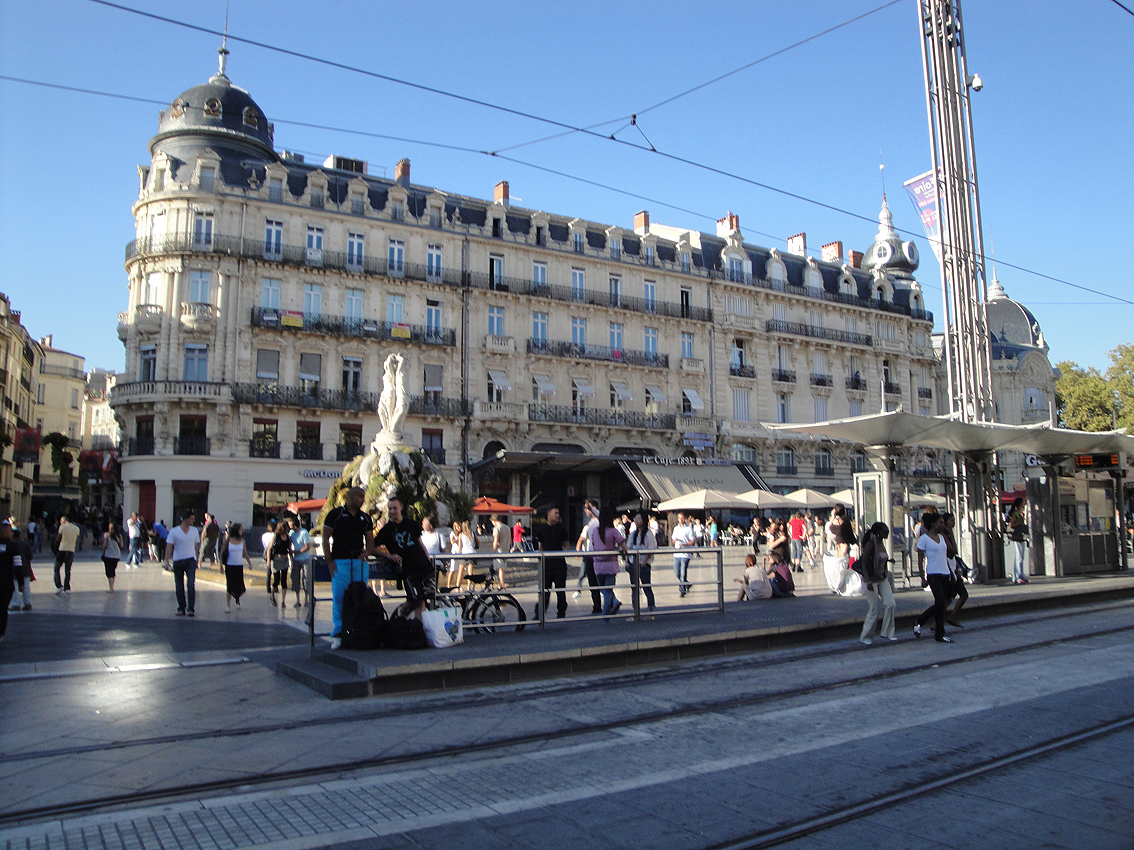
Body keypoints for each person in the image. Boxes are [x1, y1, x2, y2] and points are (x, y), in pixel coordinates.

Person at [323, 488, 376, 649]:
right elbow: (325, 538)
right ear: (350, 497)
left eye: (364, 497)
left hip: (359, 564)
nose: (363, 499)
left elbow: (370, 540)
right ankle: (338, 633)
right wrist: (329, 562)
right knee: (339, 597)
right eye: (360, 496)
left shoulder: (365, 517)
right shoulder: (336, 514)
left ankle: (357, 630)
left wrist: (367, 553)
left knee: (360, 597)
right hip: (341, 563)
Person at [375, 498, 433, 621]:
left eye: (394, 508)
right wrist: (388, 556)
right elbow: (372, 548)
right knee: (415, 599)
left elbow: (420, 543)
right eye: (390, 508)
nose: (392, 511)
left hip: (422, 565)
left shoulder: (412, 524)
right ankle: (401, 613)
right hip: (407, 569)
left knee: (423, 600)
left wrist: (428, 560)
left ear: (401, 508)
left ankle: (419, 631)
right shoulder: (386, 530)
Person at [914, 513, 954, 643]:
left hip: (945, 573)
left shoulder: (942, 537)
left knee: (941, 603)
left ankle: (920, 620)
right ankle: (939, 633)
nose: (943, 525)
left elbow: (945, 555)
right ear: (933, 524)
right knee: (941, 602)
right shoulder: (924, 539)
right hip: (933, 573)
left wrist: (951, 572)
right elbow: (919, 560)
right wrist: (922, 577)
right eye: (940, 523)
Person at [858, 522, 896, 645]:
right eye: (885, 532)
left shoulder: (881, 543)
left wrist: (888, 560)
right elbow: (864, 562)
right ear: (878, 532)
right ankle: (865, 636)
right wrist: (868, 580)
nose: (887, 534)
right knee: (873, 609)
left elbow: (880, 558)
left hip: (882, 578)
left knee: (891, 604)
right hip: (870, 580)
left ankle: (887, 632)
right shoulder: (870, 544)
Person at [533, 507, 572, 619]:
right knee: (544, 590)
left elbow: (567, 544)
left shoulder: (561, 529)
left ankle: (561, 612)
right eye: (555, 512)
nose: (557, 515)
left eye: (558, 513)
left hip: (559, 564)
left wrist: (564, 554)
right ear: (548, 514)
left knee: (560, 590)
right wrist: (541, 558)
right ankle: (540, 612)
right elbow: (540, 545)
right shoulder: (541, 529)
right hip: (546, 564)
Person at [589, 504, 626, 617]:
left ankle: (613, 604)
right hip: (611, 565)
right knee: (608, 590)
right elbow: (624, 546)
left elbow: (594, 545)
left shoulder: (595, 531)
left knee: (603, 589)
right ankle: (606, 615)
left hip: (598, 565)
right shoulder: (613, 531)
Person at [164, 513, 201, 616]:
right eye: (191, 519)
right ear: (185, 519)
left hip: (190, 560)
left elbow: (196, 546)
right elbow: (169, 547)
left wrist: (197, 559)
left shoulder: (194, 531)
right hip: (178, 560)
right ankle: (181, 608)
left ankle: (191, 609)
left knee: (190, 585)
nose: (193, 521)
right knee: (179, 586)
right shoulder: (174, 531)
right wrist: (167, 561)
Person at [574, 500, 602, 613]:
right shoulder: (589, 524)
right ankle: (597, 606)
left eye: (587, 508)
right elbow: (581, 539)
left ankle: (610, 602)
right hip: (589, 556)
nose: (585, 510)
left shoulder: (601, 521)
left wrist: (590, 507)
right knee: (592, 581)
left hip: (598, 555)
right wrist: (578, 551)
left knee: (600, 581)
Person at [626, 512, 657, 613]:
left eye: (639, 518)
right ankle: (636, 610)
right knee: (634, 588)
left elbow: (651, 549)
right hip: (633, 563)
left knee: (646, 586)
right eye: (636, 518)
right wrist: (627, 561)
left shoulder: (649, 534)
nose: (636, 520)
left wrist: (645, 562)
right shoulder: (633, 534)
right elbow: (628, 548)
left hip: (643, 564)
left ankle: (651, 608)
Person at [942, 512, 967, 628]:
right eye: (952, 520)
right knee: (951, 597)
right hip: (948, 567)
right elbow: (953, 549)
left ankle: (948, 619)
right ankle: (939, 622)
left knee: (957, 595)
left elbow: (954, 550)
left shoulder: (949, 533)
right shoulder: (943, 534)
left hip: (953, 566)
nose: (954, 522)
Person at [0, 521, 24, 643]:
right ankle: (0, 633)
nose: (12, 533)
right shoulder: (13, 546)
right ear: (6, 532)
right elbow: (18, 565)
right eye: (10, 531)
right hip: (5, 583)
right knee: (3, 609)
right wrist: (21, 583)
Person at [219, 524, 250, 613]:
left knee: (240, 586)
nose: (242, 530)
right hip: (229, 565)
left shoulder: (242, 540)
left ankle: (237, 598)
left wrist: (249, 563)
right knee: (229, 585)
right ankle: (228, 605)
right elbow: (222, 552)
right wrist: (221, 565)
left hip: (239, 566)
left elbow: (245, 552)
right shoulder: (227, 540)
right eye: (241, 529)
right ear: (236, 530)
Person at [288, 518, 313, 608]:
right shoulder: (291, 533)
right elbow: (289, 542)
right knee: (295, 579)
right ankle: (297, 600)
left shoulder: (304, 533)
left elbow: (307, 546)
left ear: (295, 526)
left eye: (291, 526)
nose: (290, 528)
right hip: (296, 559)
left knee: (306, 578)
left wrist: (297, 551)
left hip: (305, 558)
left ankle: (306, 599)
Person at [266, 522, 293, 607]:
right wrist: (268, 561)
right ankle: (273, 596)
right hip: (277, 559)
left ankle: (283, 601)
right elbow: (269, 549)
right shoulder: (276, 537)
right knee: (276, 580)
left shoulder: (288, 538)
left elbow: (289, 549)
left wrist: (291, 560)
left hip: (284, 559)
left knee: (284, 581)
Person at [671, 512, 697, 597]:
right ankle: (687, 584)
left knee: (683, 573)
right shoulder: (676, 529)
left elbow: (692, 541)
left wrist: (684, 544)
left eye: (682, 518)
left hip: (685, 554)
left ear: (685, 519)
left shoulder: (689, 529)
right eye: (679, 518)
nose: (681, 520)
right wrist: (675, 541)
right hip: (677, 554)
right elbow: (673, 540)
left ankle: (682, 590)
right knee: (676, 573)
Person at [53, 515, 80, 595]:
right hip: (71, 550)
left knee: (56, 568)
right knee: (67, 570)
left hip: (62, 550)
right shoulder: (76, 528)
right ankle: (67, 587)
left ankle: (59, 585)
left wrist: (55, 543)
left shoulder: (62, 527)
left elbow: (58, 538)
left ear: (63, 521)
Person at [9, 529, 33, 611]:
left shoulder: (11, 545)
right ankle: (27, 603)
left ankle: (16, 604)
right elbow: (30, 556)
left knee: (14, 587)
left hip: (14, 568)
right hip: (25, 568)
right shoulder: (25, 544)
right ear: (20, 536)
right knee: (26, 587)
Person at [1008, 497, 1028, 584]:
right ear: (1020, 504)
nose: (1024, 503)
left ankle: (1020, 575)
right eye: (1023, 502)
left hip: (1021, 536)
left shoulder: (1020, 513)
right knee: (1019, 556)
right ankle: (1018, 576)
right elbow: (1011, 525)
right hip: (1018, 536)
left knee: (1020, 556)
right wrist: (1020, 523)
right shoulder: (1015, 513)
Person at [101, 521, 125, 593]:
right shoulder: (119, 535)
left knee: (109, 573)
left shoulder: (107, 535)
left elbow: (104, 546)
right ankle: (112, 587)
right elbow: (122, 545)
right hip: (116, 556)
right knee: (113, 571)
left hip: (108, 555)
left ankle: (111, 588)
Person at [490, 514, 509, 589]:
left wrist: (494, 549)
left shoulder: (496, 529)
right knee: (502, 568)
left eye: (492, 521)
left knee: (500, 568)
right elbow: (510, 539)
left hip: (499, 550)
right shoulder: (507, 527)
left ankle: (501, 584)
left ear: (494, 521)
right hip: (506, 549)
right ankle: (502, 583)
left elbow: (495, 540)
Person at [261, 519, 277, 594]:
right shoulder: (275, 535)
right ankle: (275, 586)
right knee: (275, 571)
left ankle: (268, 587)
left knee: (268, 571)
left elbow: (264, 545)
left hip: (266, 554)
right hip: (274, 554)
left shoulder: (264, 535)